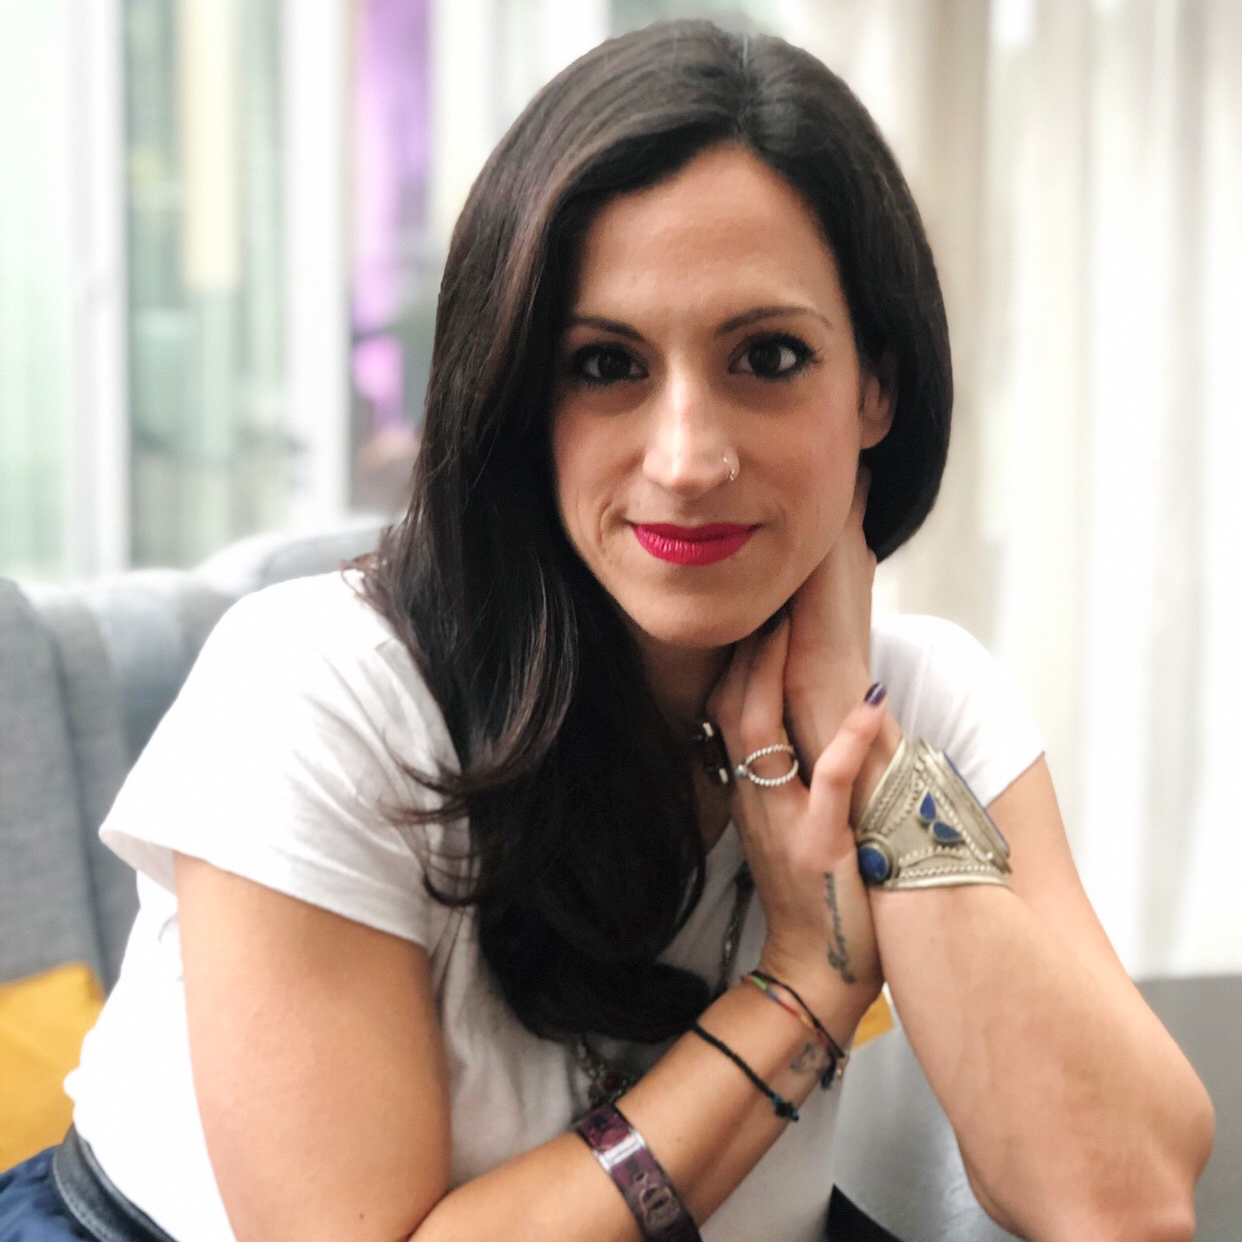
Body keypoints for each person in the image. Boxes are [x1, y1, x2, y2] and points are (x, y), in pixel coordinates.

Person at [0, 19, 1214, 1242]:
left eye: (769, 356)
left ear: (876, 389)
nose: (687, 460)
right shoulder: (315, 693)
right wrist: (801, 987)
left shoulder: (920, 703)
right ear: (521, 396)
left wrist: (868, 763)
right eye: (605, 366)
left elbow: (1121, 1204)